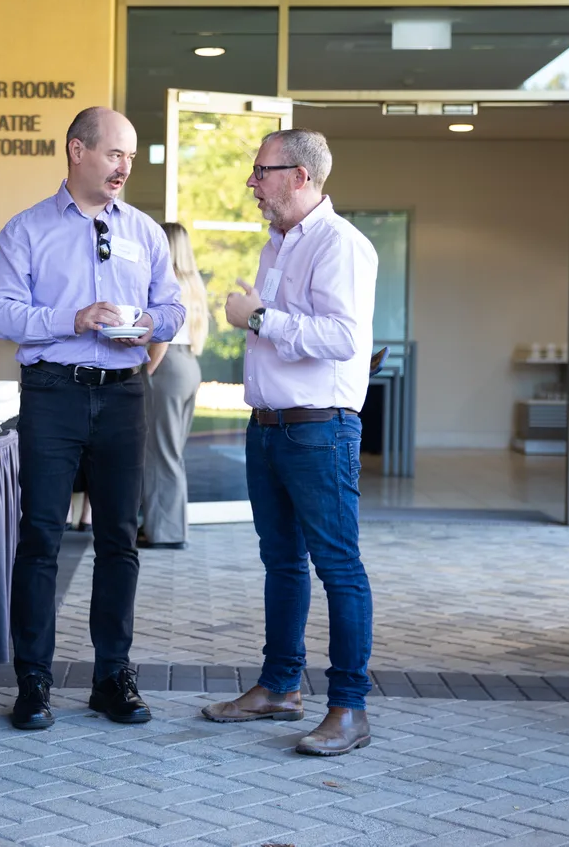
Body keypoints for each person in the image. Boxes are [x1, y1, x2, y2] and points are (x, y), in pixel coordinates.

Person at [0, 106, 184, 731]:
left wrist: (149, 325)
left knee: (118, 540)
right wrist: (73, 317)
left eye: (131, 155)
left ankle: (110, 677)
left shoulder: (146, 232)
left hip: (125, 393)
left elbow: (172, 308)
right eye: (114, 153)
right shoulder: (27, 229)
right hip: (54, 392)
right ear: (77, 151)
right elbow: (0, 314)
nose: (125, 166)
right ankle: (33, 681)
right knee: (41, 536)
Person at [200, 128, 379, 758]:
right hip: (272, 427)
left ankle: (349, 710)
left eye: (262, 171)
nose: (252, 182)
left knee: (338, 567)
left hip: (318, 430)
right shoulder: (276, 245)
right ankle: (279, 687)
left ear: (300, 175)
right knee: (281, 562)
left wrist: (254, 316)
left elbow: (341, 337)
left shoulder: (341, 245)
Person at [138, 222, 208, 549]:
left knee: (159, 453)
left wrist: (146, 373)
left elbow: (162, 337)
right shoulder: (194, 283)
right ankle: (168, 526)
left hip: (166, 367)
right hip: (189, 365)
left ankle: (163, 531)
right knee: (172, 452)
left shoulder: (170, 282)